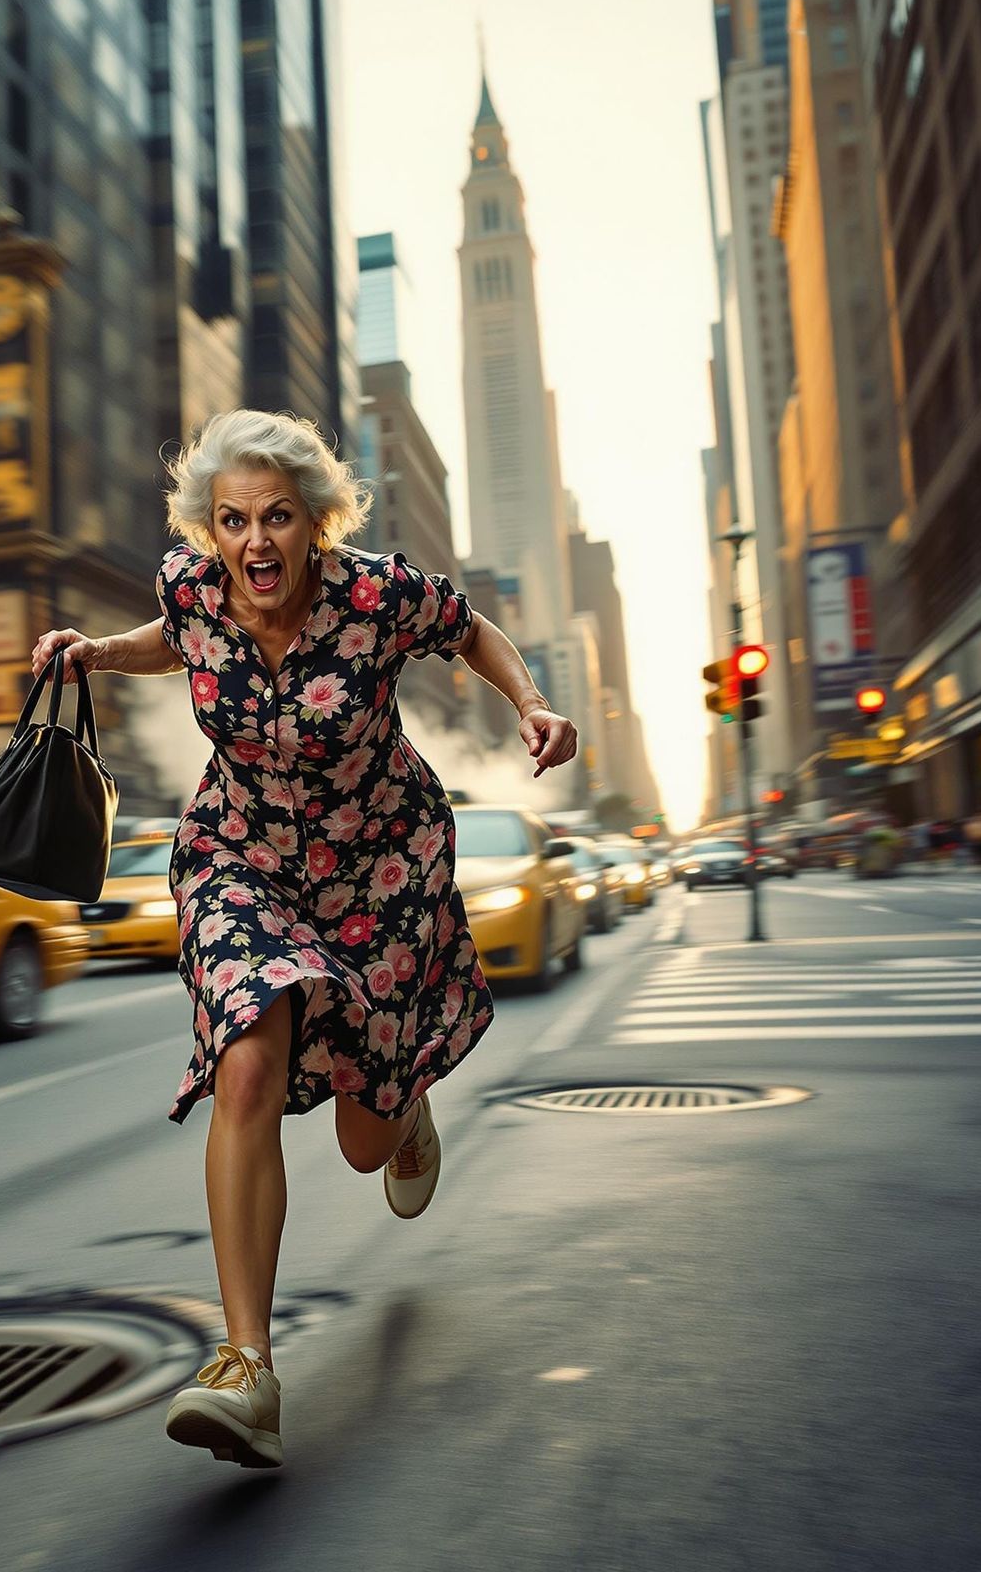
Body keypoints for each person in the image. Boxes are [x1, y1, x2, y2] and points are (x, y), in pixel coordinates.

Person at [30, 409, 577, 1469]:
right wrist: (96, 654)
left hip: (378, 869)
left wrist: (532, 703)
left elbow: (470, 629)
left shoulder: (376, 595)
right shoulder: (189, 588)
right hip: (240, 858)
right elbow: (174, 640)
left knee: (363, 1144)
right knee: (247, 1060)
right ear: (210, 528)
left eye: (276, 517)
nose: (255, 541)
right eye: (233, 520)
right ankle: (247, 1364)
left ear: (314, 521)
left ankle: (404, 1100)